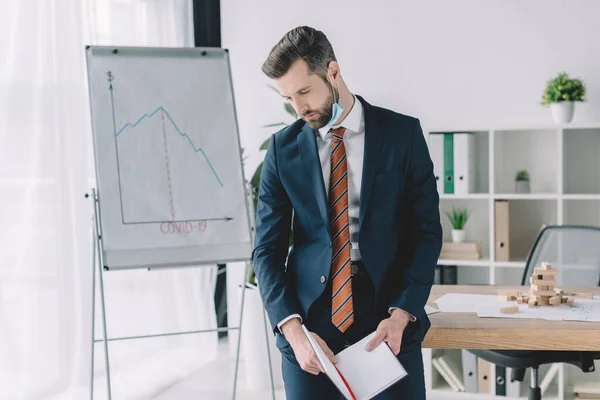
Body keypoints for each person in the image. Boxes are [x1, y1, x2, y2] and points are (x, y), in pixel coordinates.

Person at [252, 25, 442, 400]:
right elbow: (267, 251)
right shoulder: (281, 150)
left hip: (387, 314)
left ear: (333, 72)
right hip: (311, 322)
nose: (299, 107)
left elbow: (426, 232)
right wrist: (293, 330)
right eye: (288, 97)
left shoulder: (402, 134)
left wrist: (402, 313)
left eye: (305, 91)